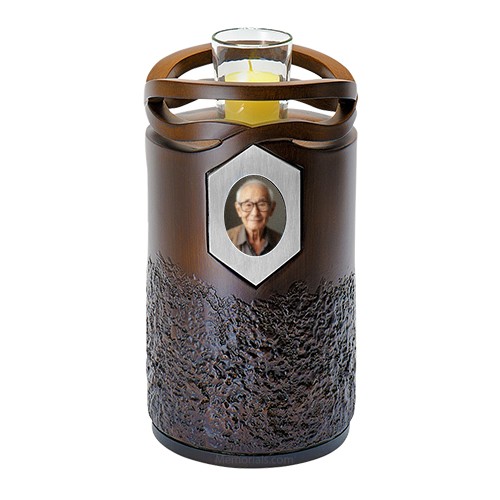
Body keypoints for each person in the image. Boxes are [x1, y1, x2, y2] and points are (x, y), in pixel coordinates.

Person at [227, 179, 282, 256]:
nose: (255, 213)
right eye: (248, 205)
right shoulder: (224, 240)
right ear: (238, 209)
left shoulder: (282, 242)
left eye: (262, 204)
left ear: (272, 209)